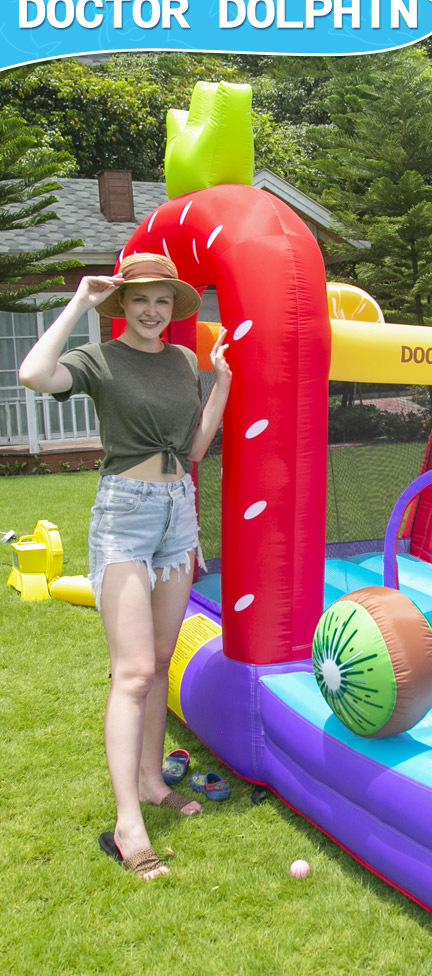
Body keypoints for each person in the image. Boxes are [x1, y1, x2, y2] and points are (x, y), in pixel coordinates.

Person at [18, 253, 232, 879]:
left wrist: (220, 382)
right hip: (125, 516)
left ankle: (150, 781)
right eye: (140, 299)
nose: (151, 310)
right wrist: (79, 302)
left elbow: (193, 448)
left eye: (162, 300)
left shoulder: (182, 361)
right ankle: (127, 824)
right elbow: (33, 374)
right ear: (122, 305)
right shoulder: (101, 359)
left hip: (177, 513)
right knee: (133, 671)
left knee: (160, 661)